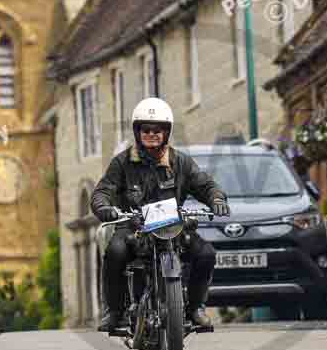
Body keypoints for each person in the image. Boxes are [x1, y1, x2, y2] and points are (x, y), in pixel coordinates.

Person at [91, 97, 230, 331]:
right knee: (115, 252)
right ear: (137, 131)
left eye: (158, 130)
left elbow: (204, 184)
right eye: (146, 130)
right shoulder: (122, 163)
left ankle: (196, 308)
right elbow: (102, 191)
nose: (152, 134)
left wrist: (216, 198)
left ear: (167, 132)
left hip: (173, 225)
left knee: (206, 253)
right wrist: (105, 207)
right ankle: (114, 311)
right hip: (133, 225)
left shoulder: (180, 162)